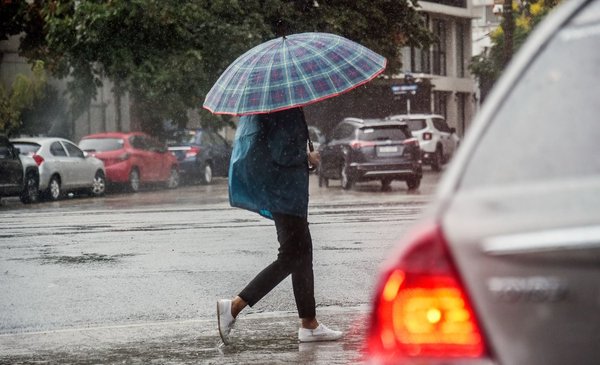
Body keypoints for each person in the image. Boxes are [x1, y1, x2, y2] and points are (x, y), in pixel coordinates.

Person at [217, 107, 343, 344]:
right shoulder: (283, 109)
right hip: (284, 193)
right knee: (291, 257)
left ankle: (309, 324)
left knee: (302, 254)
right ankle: (234, 306)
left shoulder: (274, 107)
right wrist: (307, 157)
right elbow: (282, 152)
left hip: (282, 192)